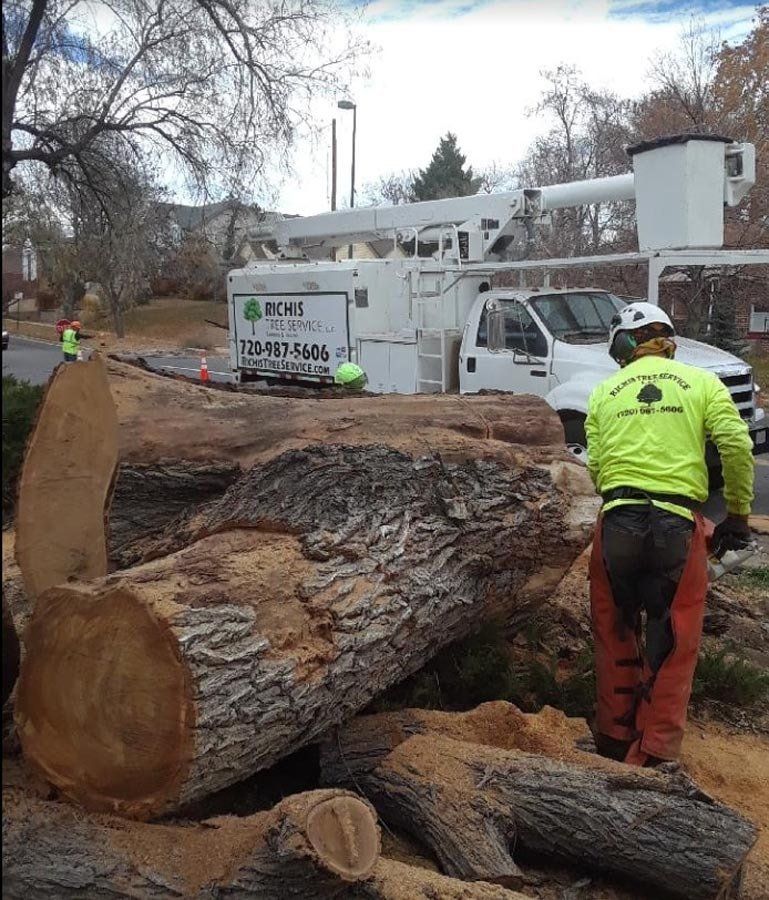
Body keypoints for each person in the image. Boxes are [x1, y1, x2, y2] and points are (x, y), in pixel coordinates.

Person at [585, 302, 753, 767]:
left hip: (617, 522)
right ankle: (655, 753)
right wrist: (738, 514)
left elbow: (596, 466)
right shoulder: (702, 383)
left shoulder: (604, 391)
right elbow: (736, 444)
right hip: (677, 525)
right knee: (675, 640)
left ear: (624, 344)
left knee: (614, 631)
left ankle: (614, 739)